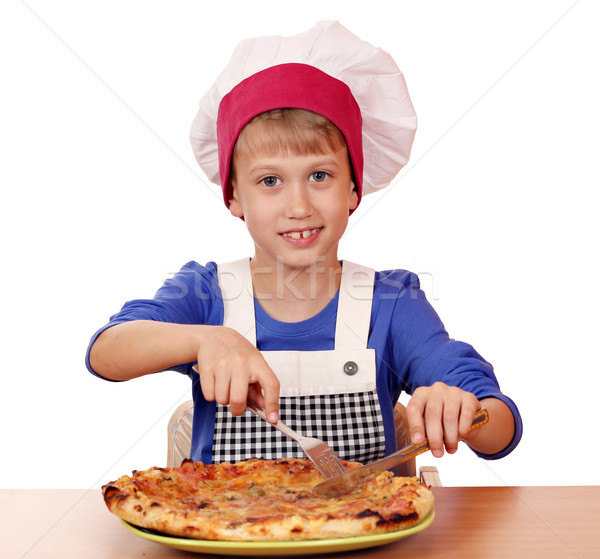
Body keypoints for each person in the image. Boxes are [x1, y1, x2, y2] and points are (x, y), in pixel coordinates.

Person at [87, 21, 522, 465]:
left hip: (367, 527)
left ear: (353, 188)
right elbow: (106, 351)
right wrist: (207, 340)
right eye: (270, 180)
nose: (298, 206)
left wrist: (466, 413)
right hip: (221, 525)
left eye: (320, 176)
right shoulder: (205, 294)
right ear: (234, 196)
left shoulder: (391, 303)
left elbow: (499, 423)